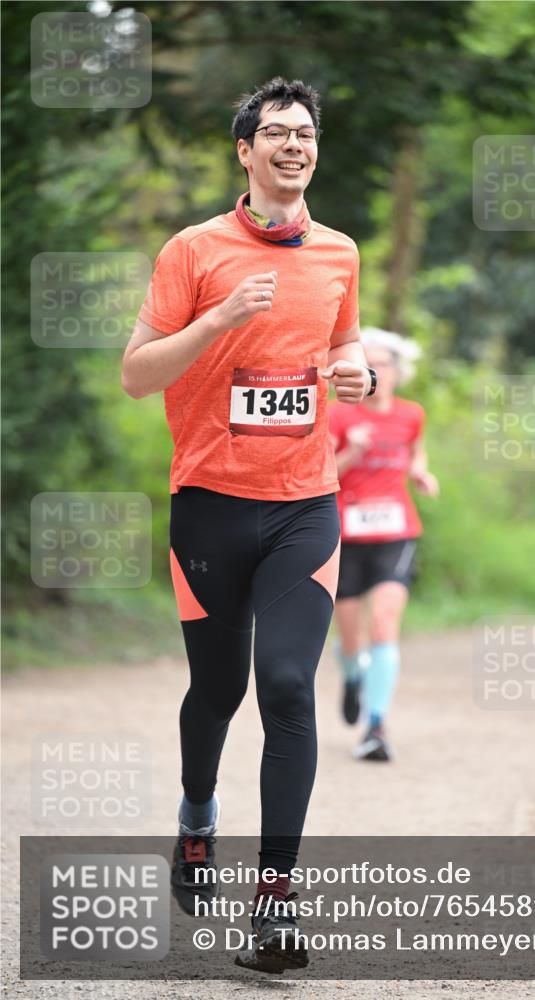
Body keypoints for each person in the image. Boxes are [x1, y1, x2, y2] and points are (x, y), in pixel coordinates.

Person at [121, 77, 376, 974]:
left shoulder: (340, 252)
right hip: (210, 506)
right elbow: (138, 375)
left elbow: (343, 346)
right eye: (274, 133)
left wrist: (357, 377)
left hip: (305, 505)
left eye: (304, 133)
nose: (292, 145)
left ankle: (274, 907)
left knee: (286, 687)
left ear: (315, 148)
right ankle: (197, 816)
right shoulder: (194, 251)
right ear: (244, 150)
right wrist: (222, 317)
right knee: (218, 689)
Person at [328, 328, 438, 762]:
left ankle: (376, 727)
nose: (375, 372)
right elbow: (319, 475)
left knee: (384, 625)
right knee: (351, 638)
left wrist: (421, 473)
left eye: (383, 364)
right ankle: (354, 676)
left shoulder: (412, 414)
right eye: (366, 364)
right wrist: (350, 454)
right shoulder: (338, 416)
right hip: (345, 535)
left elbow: (416, 451)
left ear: (397, 372)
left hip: (396, 533)